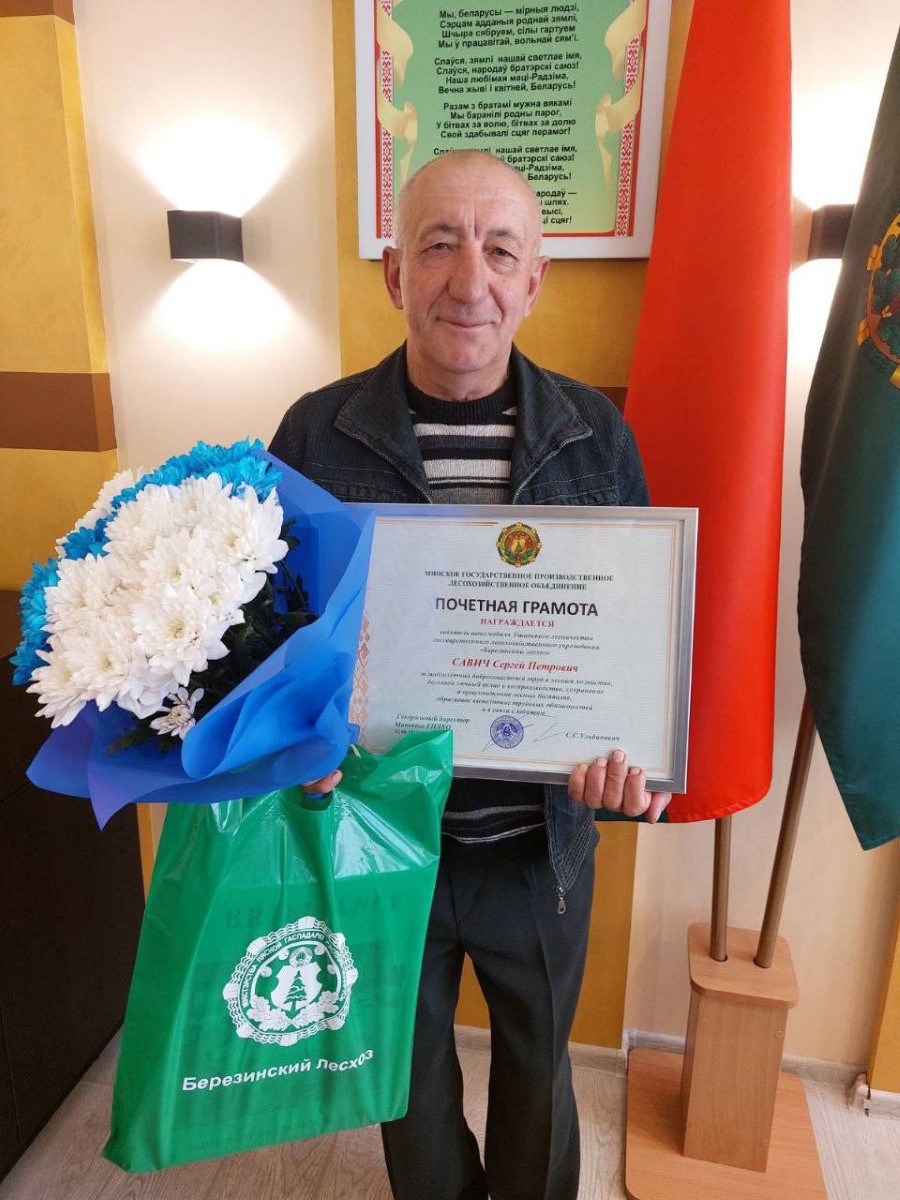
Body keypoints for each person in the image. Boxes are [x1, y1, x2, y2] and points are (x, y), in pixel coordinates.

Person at [270, 150, 671, 1200]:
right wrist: (293, 740)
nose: (470, 279)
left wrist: (631, 759)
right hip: (377, 839)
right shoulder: (313, 432)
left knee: (541, 1076)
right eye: (439, 244)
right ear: (395, 272)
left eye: (499, 250)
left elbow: (628, 638)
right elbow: (275, 631)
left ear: (534, 280)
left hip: (538, 849)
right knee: (403, 1083)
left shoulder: (594, 435)